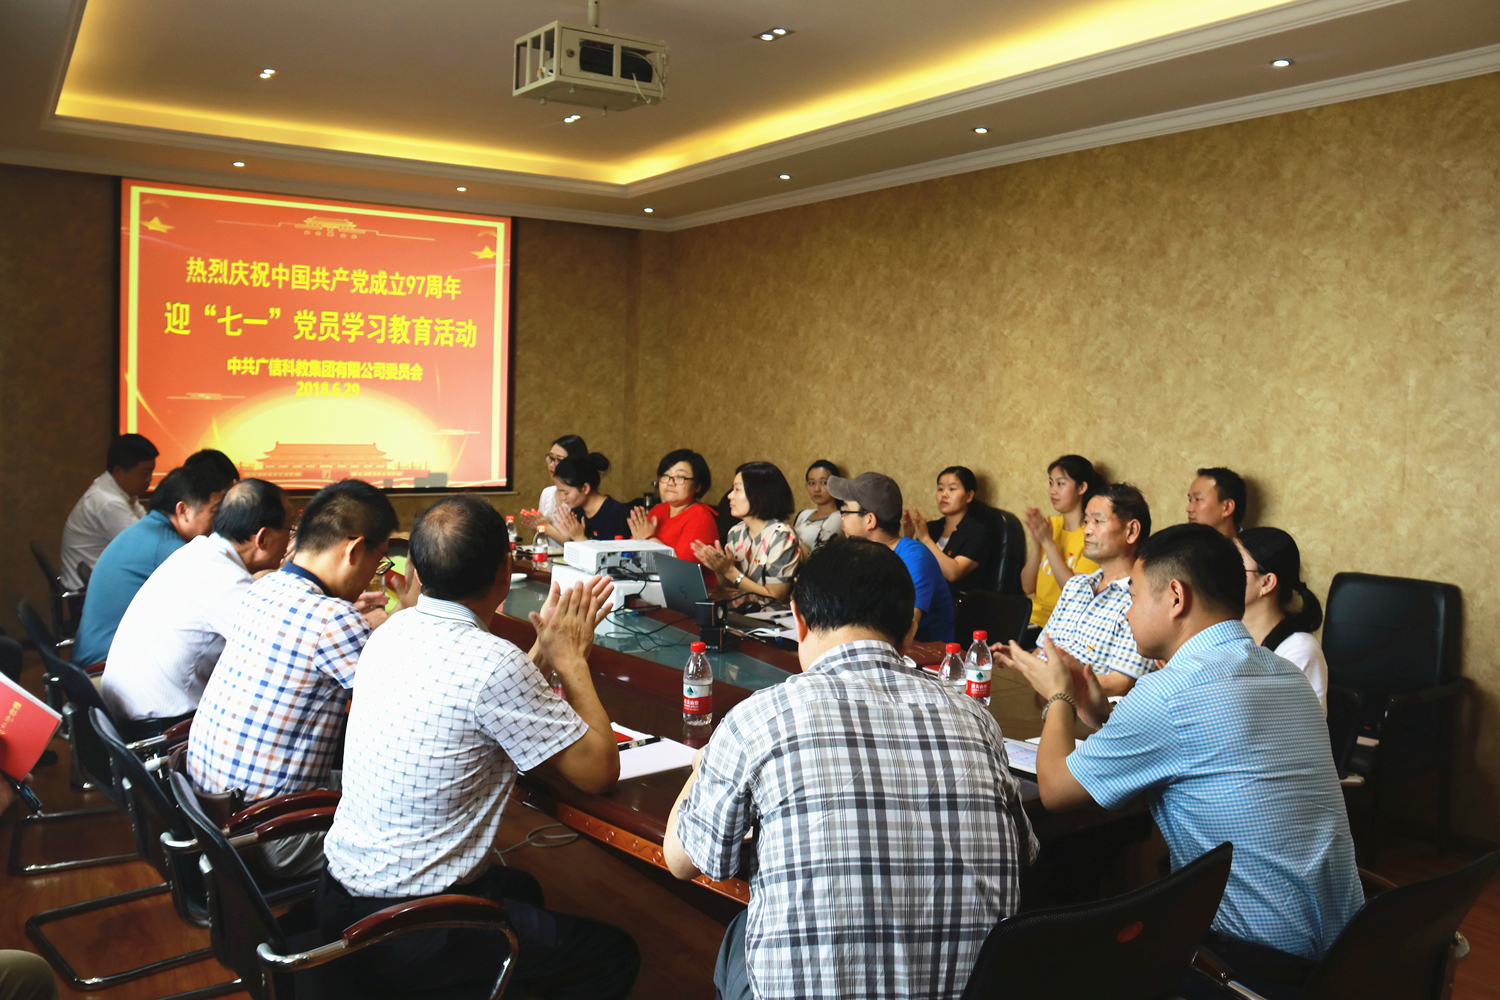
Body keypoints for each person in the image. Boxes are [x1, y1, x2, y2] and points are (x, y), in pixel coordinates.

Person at [664, 538, 1036, 1000]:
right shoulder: (976, 719)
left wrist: (701, 767)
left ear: (799, 618)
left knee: (744, 929)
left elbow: (683, 860)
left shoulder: (758, 718)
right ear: (908, 631)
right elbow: (1023, 852)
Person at [996, 524, 1361, 987]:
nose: (1127, 612)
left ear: (1175, 597)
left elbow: (1055, 791)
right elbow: (1198, 742)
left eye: (1133, 596)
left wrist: (1059, 697)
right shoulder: (1284, 673)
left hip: (1250, 967)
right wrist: (1100, 713)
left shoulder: (1170, 693)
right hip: (1350, 952)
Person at [319, 496, 640, 999]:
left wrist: (544, 649)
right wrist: (571, 659)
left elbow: (492, 698)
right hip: (411, 927)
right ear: (505, 572)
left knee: (522, 888)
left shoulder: (392, 629)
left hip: (339, 894)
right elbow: (598, 771)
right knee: (614, 953)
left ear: (417, 569)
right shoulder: (493, 663)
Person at [187, 480, 403, 876]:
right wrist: (408, 617)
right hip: (270, 835)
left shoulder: (263, 587)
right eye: (380, 561)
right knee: (418, 828)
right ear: (354, 550)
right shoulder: (333, 620)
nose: (376, 572)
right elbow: (406, 711)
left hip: (211, 812)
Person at [101, 480, 293, 740]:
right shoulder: (224, 579)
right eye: (289, 530)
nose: (290, 541)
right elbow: (285, 652)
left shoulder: (199, 552)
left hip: (127, 713)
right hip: (162, 730)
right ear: (263, 537)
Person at [72, 464, 227, 666]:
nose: (219, 522)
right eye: (214, 511)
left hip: (95, 654)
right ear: (183, 510)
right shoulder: (169, 548)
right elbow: (220, 597)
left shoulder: (146, 529)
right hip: (105, 665)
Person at [1010, 483, 1154, 697]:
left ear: (1131, 531)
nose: (1087, 530)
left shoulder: (1142, 598)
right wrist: (1015, 664)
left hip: (1085, 707)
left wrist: (1057, 682)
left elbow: (1120, 683)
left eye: (1098, 521)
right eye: (1086, 521)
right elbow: (1041, 652)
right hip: (1041, 695)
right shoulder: (1076, 586)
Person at [829, 472, 954, 644]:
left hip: (921, 656)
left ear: (870, 520)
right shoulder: (862, 554)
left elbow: (905, 629)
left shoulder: (915, 558)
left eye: (845, 511)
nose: (841, 517)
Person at [1238, 527, 1328, 710]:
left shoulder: (1299, 649)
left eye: (1236, 567)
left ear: (1267, 583)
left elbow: (1302, 723)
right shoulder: (1224, 632)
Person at [59, 433, 159, 591]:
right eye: (144, 473)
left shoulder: (119, 492)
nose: (149, 479)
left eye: (151, 472)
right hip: (86, 593)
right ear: (118, 471)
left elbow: (148, 530)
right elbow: (144, 549)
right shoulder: (108, 502)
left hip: (96, 583)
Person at [1020, 455, 1104, 638]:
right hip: (1030, 618)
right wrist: (1038, 542)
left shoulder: (1092, 535)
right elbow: (1027, 587)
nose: (1052, 491)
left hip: (1060, 626)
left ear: (1081, 487)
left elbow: (1075, 594)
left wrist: (1047, 542)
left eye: (1060, 484)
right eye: (1051, 483)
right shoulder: (1051, 525)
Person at [692, 462, 801, 603]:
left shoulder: (781, 536)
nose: (730, 496)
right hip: (740, 610)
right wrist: (719, 569)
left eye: (737, 489)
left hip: (770, 614)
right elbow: (731, 588)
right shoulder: (736, 532)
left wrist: (729, 571)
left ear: (760, 495)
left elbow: (775, 597)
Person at [628, 449, 721, 583]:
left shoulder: (700, 517)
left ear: (698, 486)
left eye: (680, 477)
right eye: (666, 475)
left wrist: (649, 538)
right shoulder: (658, 510)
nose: (670, 483)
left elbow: (682, 569)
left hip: (688, 590)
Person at [903, 466, 994, 600]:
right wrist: (908, 538)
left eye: (952, 489)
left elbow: (953, 573)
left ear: (969, 496)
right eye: (940, 489)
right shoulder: (931, 528)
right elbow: (910, 568)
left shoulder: (979, 532)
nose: (944, 494)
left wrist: (925, 539)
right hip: (921, 596)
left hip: (955, 603)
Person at [540, 451, 630, 543]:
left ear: (585, 488)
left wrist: (579, 538)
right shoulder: (579, 511)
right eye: (559, 491)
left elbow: (612, 551)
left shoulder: (615, 514)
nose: (562, 498)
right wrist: (568, 536)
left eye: (566, 493)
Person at [522, 434, 589, 549]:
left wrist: (546, 526)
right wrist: (537, 524)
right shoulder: (547, 493)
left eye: (559, 460)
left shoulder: (578, 496)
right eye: (551, 458)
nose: (552, 465)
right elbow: (542, 538)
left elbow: (575, 544)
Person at [792, 460, 844, 556]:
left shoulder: (838, 518)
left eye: (823, 482)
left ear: (835, 485)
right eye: (811, 483)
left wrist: (789, 536)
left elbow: (819, 557)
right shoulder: (804, 514)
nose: (816, 489)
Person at [1187, 466, 1247, 539]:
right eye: (1190, 500)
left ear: (1227, 507)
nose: (1188, 509)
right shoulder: (1182, 543)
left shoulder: (1252, 545)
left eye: (1198, 499)